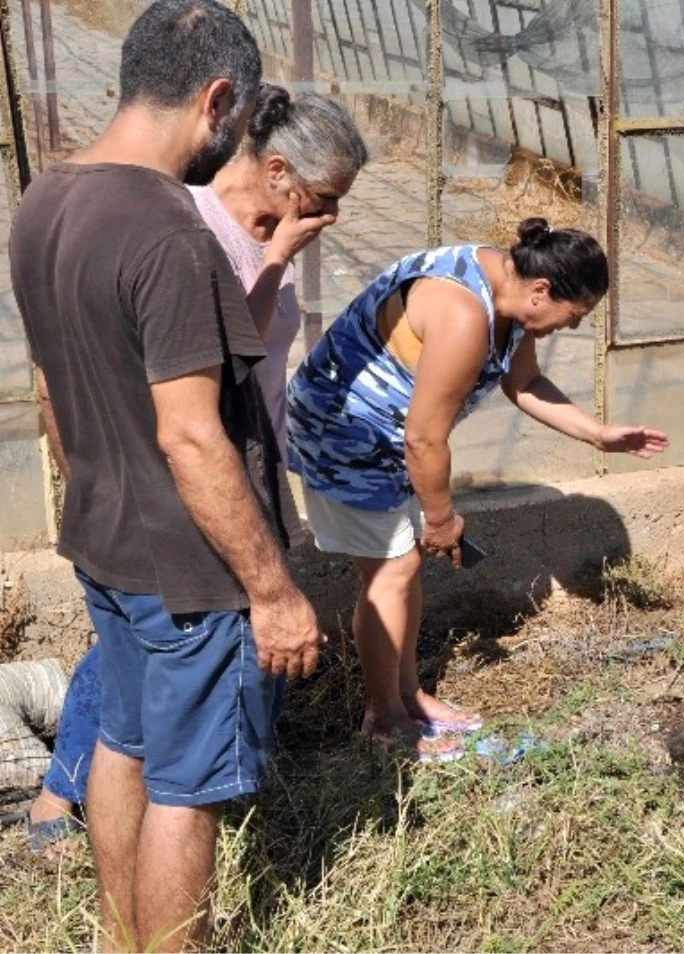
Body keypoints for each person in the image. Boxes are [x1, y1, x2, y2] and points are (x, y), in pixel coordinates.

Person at [9, 3, 324, 950]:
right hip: (191, 573)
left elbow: (53, 392)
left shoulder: (45, 201)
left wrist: (99, 487)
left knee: (123, 745)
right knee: (189, 791)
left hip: (106, 542)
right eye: (234, 127)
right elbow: (193, 439)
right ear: (216, 98)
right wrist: (269, 591)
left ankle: (119, 938)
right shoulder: (170, 235)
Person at [288, 218, 670, 760]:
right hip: (345, 432)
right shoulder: (464, 313)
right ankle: (384, 721)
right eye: (575, 315)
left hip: (391, 439)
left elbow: (525, 383)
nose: (573, 326)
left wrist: (598, 433)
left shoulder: (511, 295)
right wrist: (441, 519)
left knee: (402, 568)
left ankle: (407, 695)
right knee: (390, 573)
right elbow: (423, 438)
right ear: (543, 290)